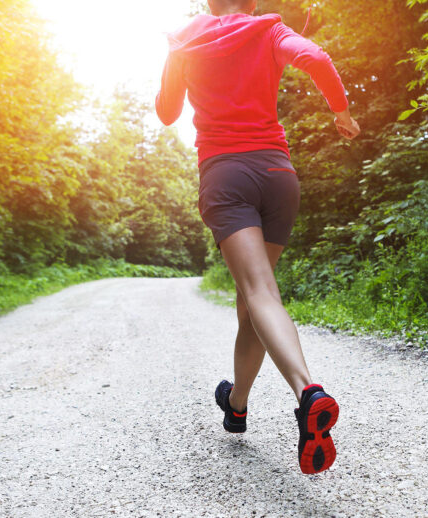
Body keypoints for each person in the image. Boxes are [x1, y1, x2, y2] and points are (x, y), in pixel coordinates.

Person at [155, 0, 360, 474]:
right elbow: (317, 59)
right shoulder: (269, 30)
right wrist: (342, 113)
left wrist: (182, 67)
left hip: (227, 175)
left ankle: (308, 391)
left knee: (258, 293)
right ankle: (238, 403)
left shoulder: (187, 38)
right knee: (252, 302)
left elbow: (167, 113)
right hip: (277, 174)